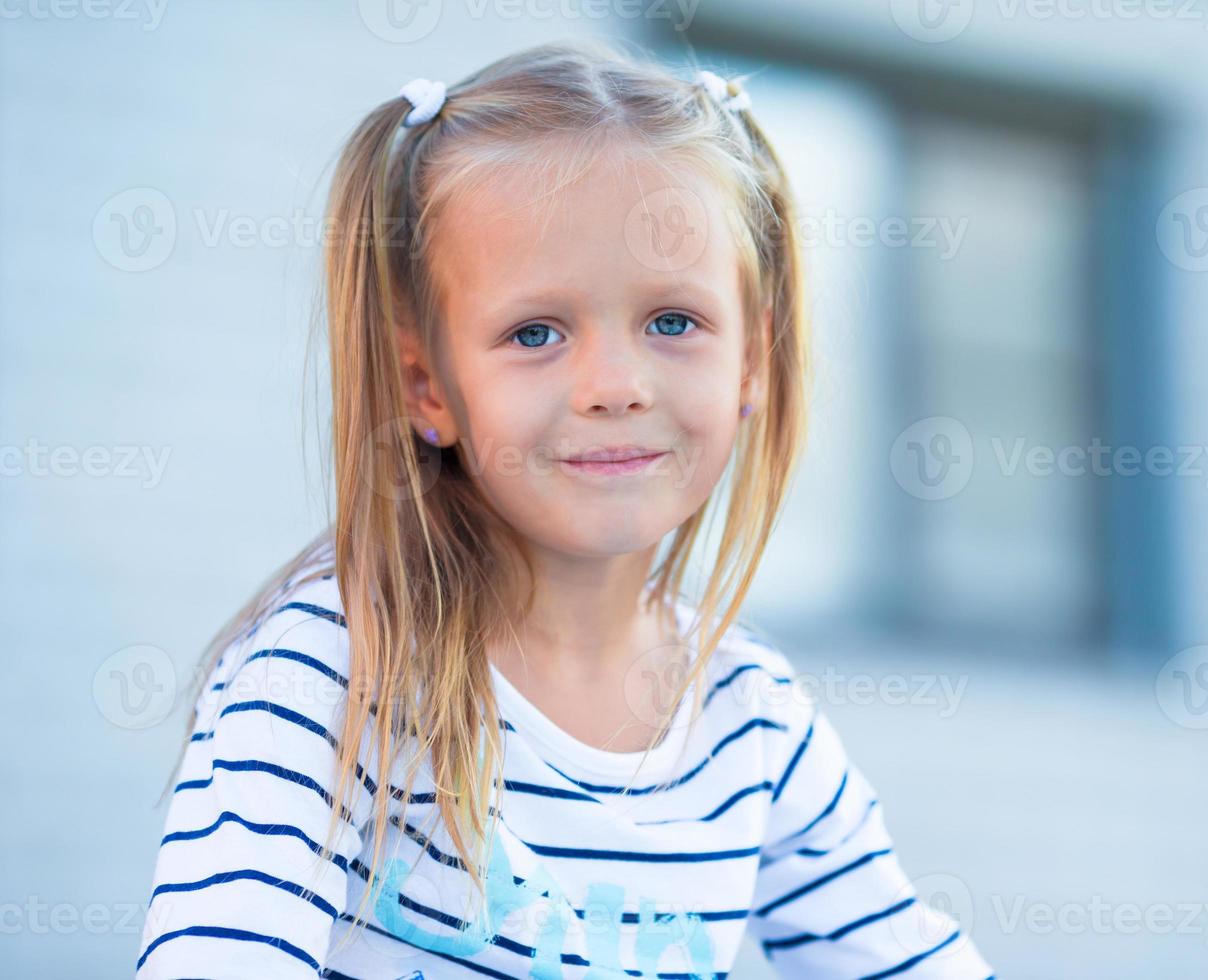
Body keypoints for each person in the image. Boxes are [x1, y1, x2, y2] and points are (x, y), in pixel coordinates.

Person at [135, 38, 996, 980]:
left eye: (673, 321)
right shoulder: (337, 672)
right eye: (535, 333)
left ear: (750, 358)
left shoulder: (751, 720)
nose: (614, 385)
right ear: (427, 386)